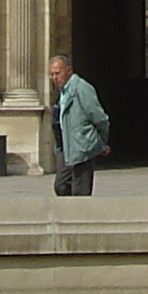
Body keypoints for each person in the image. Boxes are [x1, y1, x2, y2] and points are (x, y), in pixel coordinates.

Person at [48, 53, 108, 196]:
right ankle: (68, 214)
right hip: (66, 145)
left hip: (82, 146)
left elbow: (99, 117)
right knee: (61, 185)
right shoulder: (62, 92)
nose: (55, 78)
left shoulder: (81, 88)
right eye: (52, 74)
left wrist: (100, 141)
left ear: (69, 71)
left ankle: (80, 215)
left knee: (80, 188)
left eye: (58, 73)